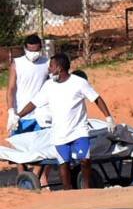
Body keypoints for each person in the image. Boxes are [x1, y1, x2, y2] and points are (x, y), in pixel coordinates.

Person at [14, 53, 115, 190]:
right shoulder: (49, 86)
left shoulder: (79, 83)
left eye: (51, 66)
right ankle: (68, 191)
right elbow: (34, 103)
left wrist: (108, 117)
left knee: (85, 160)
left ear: (59, 68)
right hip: (60, 133)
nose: (49, 69)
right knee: (64, 164)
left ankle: (87, 188)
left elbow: (96, 98)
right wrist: (18, 116)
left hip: (79, 130)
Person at [6, 34, 49, 137]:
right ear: (25, 48)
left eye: (35, 51)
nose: (33, 53)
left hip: (40, 116)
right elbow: (11, 89)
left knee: (41, 148)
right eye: (30, 50)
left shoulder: (47, 63)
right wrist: (11, 112)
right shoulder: (17, 63)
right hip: (20, 115)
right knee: (18, 147)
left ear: (40, 48)